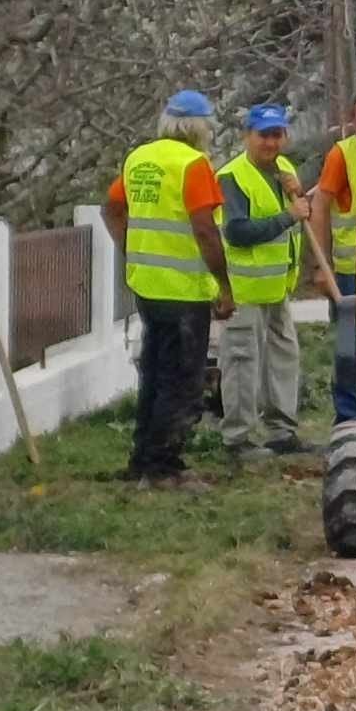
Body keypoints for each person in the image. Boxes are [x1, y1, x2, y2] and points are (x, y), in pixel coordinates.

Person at [103, 90, 235, 484]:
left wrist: (130, 246)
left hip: (146, 285)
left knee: (155, 375)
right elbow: (205, 230)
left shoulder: (139, 158)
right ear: (201, 128)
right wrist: (224, 285)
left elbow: (111, 209)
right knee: (181, 382)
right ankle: (162, 467)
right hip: (183, 291)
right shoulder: (193, 165)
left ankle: (142, 459)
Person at [216, 103, 309, 459]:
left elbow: (300, 215)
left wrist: (298, 197)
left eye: (277, 135)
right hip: (244, 291)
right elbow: (237, 232)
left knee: (283, 359)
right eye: (263, 135)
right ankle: (237, 440)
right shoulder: (233, 177)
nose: (271, 143)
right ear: (247, 137)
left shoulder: (284, 170)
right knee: (241, 363)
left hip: (276, 289)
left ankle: (281, 433)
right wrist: (289, 215)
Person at [311, 86, 356, 422]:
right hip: (348, 273)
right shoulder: (343, 155)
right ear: (351, 121)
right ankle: (349, 415)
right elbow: (320, 206)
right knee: (347, 350)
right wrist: (321, 266)